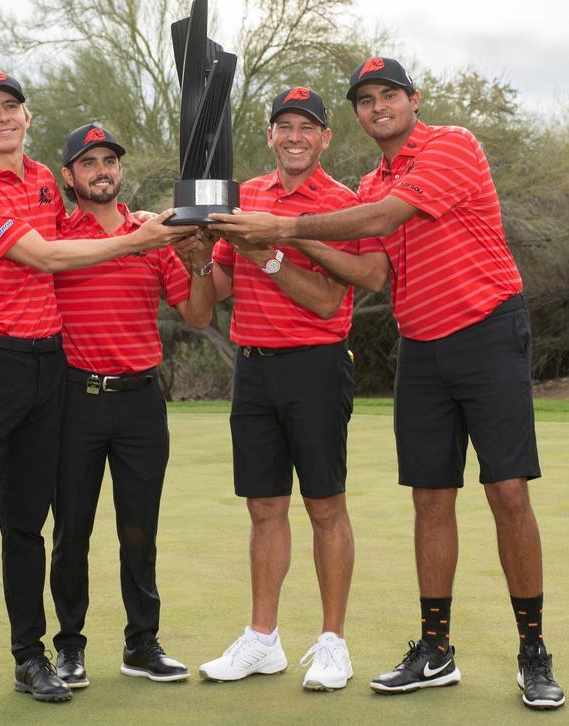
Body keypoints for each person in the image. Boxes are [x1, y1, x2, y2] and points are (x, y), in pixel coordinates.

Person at [207, 58, 566, 709]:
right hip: (421, 347)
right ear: (357, 115)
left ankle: (533, 652)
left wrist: (281, 231)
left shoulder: (451, 147)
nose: (379, 106)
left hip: (487, 332)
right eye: (366, 99)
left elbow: (378, 224)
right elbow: (369, 269)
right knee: (430, 499)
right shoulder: (371, 178)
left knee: (507, 491)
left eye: (389, 95)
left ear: (412, 99)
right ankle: (436, 651)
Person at [0, 70, 190, 723]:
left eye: (11, 107)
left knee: (27, 524)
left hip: (49, 367)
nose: (2, 118)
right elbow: (44, 256)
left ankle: (31, 658)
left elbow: (79, 231)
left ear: (26, 114)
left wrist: (153, 228)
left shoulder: (46, 179)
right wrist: (141, 238)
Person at [197, 87, 360, 692]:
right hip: (254, 368)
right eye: (283, 126)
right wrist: (192, 248)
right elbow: (215, 286)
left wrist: (267, 254)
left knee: (324, 506)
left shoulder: (341, 204)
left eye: (306, 127)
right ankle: (263, 640)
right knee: (264, 507)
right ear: (269, 136)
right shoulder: (245, 198)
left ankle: (333, 643)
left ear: (324, 139)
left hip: (315, 366)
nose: (294, 136)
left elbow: (325, 301)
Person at [47, 123, 215, 689]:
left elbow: (198, 315)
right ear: (69, 175)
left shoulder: (152, 233)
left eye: (109, 161)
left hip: (140, 401)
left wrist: (199, 259)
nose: (101, 170)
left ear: (120, 171)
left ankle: (142, 642)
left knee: (140, 529)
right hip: (76, 400)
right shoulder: (54, 233)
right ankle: (68, 647)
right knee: (72, 529)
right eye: (89, 162)